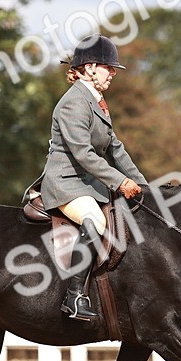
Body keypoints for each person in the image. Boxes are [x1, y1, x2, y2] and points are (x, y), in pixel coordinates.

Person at [39, 34, 149, 321]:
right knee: (96, 220)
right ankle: (75, 296)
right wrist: (120, 182)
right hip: (66, 183)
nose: (113, 73)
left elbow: (116, 148)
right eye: (108, 67)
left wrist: (144, 185)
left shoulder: (96, 101)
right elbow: (83, 154)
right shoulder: (73, 103)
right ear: (89, 68)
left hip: (87, 183)